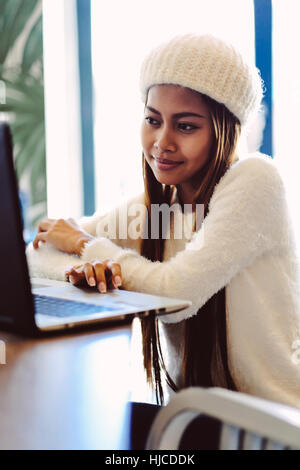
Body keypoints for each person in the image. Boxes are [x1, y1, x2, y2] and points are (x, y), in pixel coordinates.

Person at [27, 34, 300, 419]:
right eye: (152, 120)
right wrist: (84, 269)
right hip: (198, 423)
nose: (161, 142)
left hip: (275, 429)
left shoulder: (256, 180)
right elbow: (37, 255)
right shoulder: (158, 208)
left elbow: (177, 294)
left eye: (186, 126)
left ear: (225, 130)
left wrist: (89, 247)